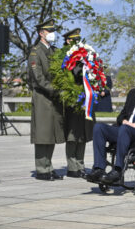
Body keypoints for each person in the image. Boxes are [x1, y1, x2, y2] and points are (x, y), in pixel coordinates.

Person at [27, 18, 65, 181]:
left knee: (51, 134)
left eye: (53, 31)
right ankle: (42, 169)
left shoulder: (54, 51)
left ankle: (48, 166)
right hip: (43, 97)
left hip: (54, 98)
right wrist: (55, 89)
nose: (52, 34)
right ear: (41, 33)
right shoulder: (36, 52)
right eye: (49, 31)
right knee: (43, 134)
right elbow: (38, 78)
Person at [62, 28, 94, 178]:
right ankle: (72, 166)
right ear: (68, 41)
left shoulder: (86, 55)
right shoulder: (64, 55)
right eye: (74, 39)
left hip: (85, 100)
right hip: (72, 100)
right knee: (72, 135)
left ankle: (80, 165)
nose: (77, 42)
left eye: (78, 39)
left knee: (83, 134)